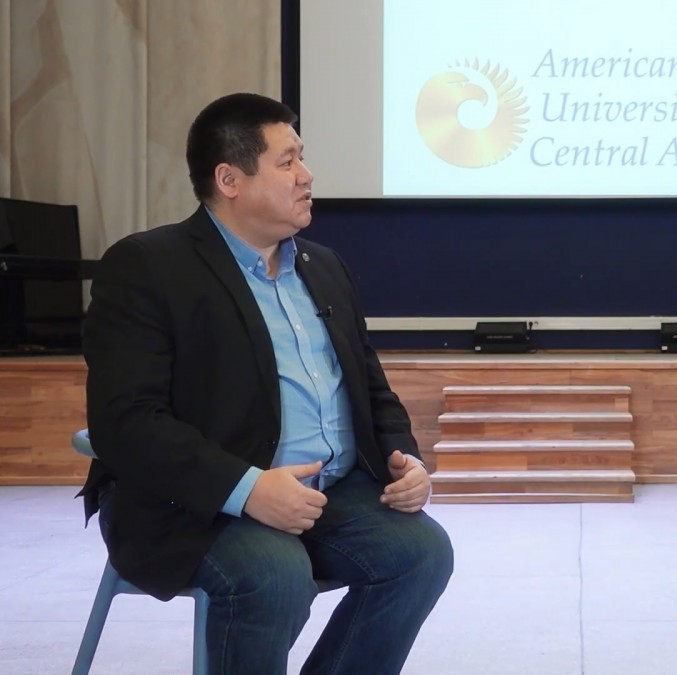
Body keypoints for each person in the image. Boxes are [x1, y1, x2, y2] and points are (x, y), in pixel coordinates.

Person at [78, 92, 453, 674]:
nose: (306, 175)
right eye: (287, 161)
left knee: (422, 553)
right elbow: (125, 422)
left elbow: (370, 388)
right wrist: (247, 488)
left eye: (302, 158)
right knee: (275, 573)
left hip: (329, 494)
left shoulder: (323, 266)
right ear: (230, 179)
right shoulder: (147, 266)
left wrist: (405, 460)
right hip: (198, 503)